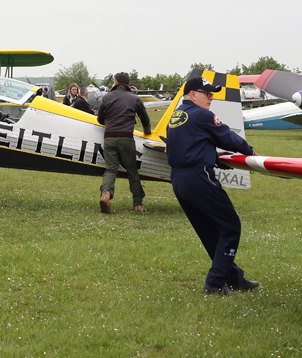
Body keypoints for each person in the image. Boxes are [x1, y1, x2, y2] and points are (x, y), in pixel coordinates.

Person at [165, 76, 260, 295]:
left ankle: (235, 278)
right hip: (199, 177)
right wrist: (251, 152)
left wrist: (211, 155)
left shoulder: (176, 116)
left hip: (179, 179)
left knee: (209, 231)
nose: (211, 98)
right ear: (192, 94)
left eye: (212, 94)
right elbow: (227, 137)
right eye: (207, 93)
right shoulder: (202, 115)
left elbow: (189, 142)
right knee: (231, 225)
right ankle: (215, 283)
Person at [96, 71, 152, 214]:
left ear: (115, 82)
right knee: (132, 170)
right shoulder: (135, 98)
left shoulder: (107, 97)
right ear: (128, 83)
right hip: (126, 137)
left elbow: (100, 119)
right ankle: (138, 204)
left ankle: (106, 194)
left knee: (111, 169)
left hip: (109, 137)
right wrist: (147, 132)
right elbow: (145, 120)